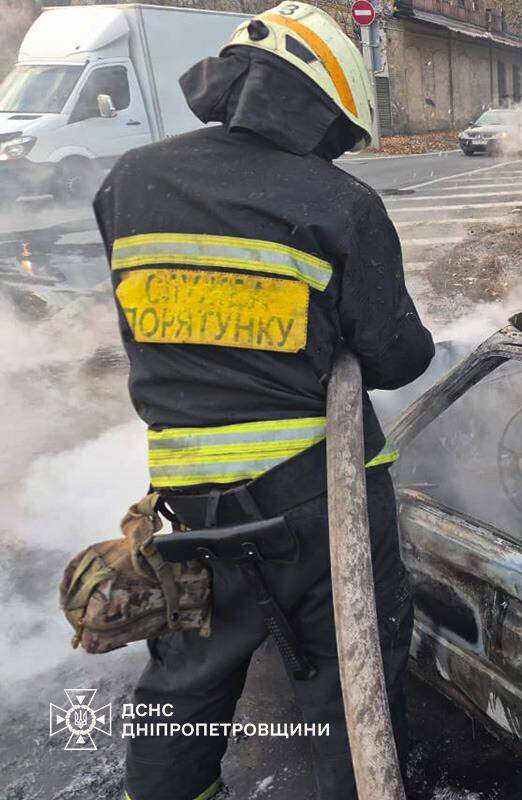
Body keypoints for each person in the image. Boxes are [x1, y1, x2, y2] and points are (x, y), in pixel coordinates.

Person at [91, 4, 434, 799]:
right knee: (353, 677)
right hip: (318, 498)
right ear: (316, 104)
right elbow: (394, 355)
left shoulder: (129, 182)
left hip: (190, 502)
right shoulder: (340, 203)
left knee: (188, 681)